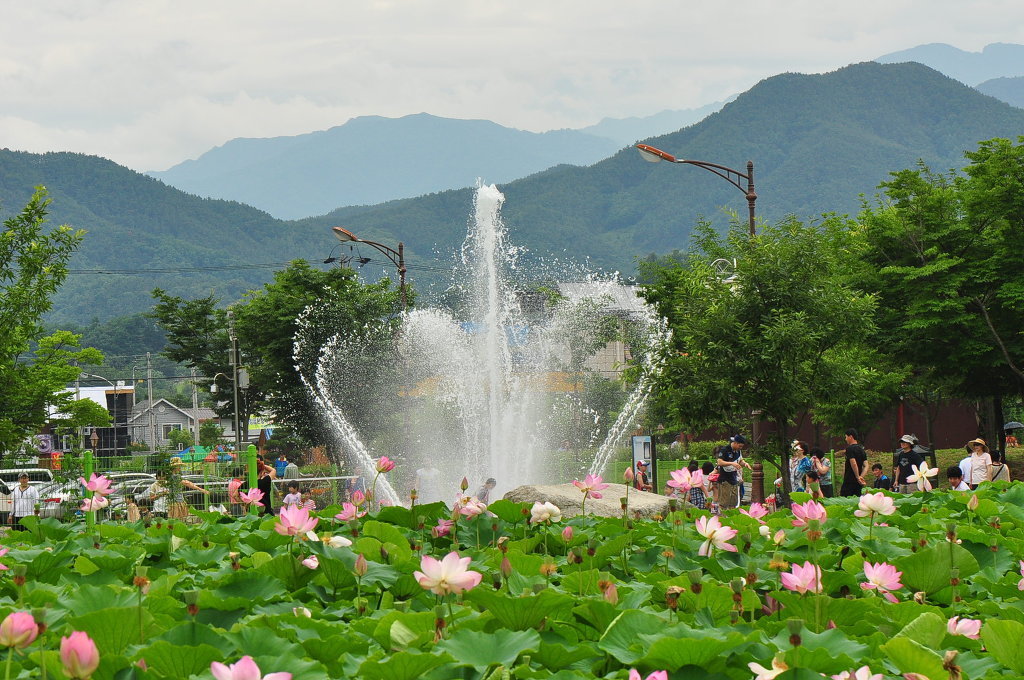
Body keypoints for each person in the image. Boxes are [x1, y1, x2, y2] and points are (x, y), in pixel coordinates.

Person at [716, 435, 751, 509]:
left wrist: (745, 464)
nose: (740, 448)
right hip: (725, 479)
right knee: (724, 502)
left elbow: (740, 461)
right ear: (735, 443)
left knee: (734, 502)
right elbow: (719, 462)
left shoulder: (738, 451)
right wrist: (732, 463)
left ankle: (732, 514)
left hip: (734, 478)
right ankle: (722, 515)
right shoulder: (725, 450)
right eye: (740, 446)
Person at [838, 428, 867, 497]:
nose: (845, 439)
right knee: (857, 499)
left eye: (846, 437)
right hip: (858, 483)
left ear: (850, 436)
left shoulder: (849, 449)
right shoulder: (861, 449)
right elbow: (866, 465)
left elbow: (853, 463)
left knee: (845, 499)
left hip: (849, 480)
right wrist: (861, 477)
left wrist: (857, 477)